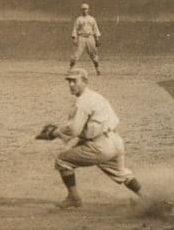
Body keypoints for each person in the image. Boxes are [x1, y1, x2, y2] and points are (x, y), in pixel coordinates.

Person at [51, 68, 142, 209]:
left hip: (100, 146)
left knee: (62, 160)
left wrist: (55, 132)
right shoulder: (96, 96)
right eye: (69, 81)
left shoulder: (82, 102)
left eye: (74, 81)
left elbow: (74, 130)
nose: (71, 84)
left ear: (85, 82)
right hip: (116, 141)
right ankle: (151, 199)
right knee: (123, 173)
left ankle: (73, 198)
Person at [70, 3, 102, 75]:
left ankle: (98, 69)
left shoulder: (92, 19)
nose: (85, 10)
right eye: (83, 9)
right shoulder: (79, 19)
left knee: (94, 54)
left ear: (88, 10)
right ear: (81, 10)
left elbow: (96, 29)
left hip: (90, 38)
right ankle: (70, 69)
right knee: (76, 54)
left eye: (86, 9)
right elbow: (75, 29)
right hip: (81, 38)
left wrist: (97, 39)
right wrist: (74, 38)